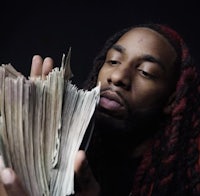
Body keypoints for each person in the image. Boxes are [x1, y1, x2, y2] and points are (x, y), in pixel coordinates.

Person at [0, 23, 200, 196]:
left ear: (173, 100)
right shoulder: (63, 146)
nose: (118, 76)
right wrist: (28, 154)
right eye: (113, 61)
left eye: (146, 72)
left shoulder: (186, 180)